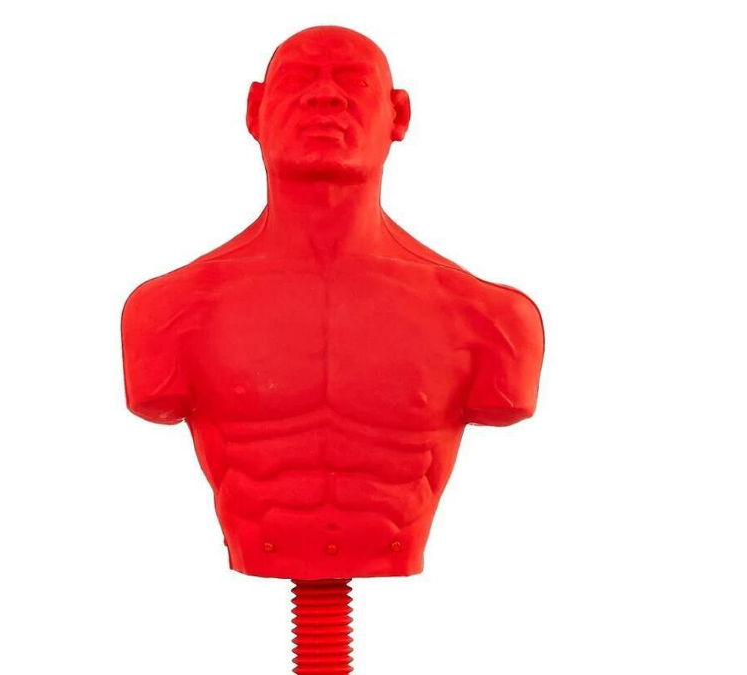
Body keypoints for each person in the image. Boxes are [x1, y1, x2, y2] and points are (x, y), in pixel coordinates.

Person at [122, 26, 545, 579]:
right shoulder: (170, 312)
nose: (325, 97)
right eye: (298, 80)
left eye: (355, 82)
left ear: (399, 116)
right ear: (255, 110)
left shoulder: (489, 319)